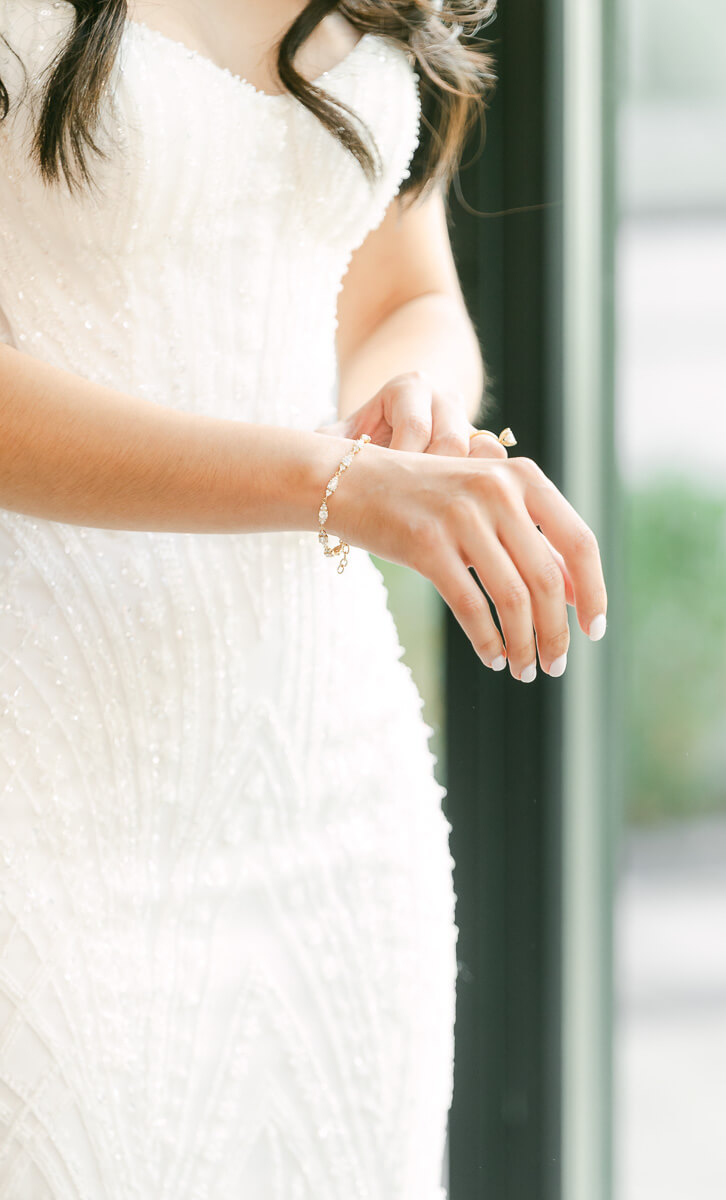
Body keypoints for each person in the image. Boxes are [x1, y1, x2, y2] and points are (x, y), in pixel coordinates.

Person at [0, 0, 607, 1194]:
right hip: (47, 753)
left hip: (323, 761)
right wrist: (339, 482)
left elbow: (404, 299)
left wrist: (413, 414)